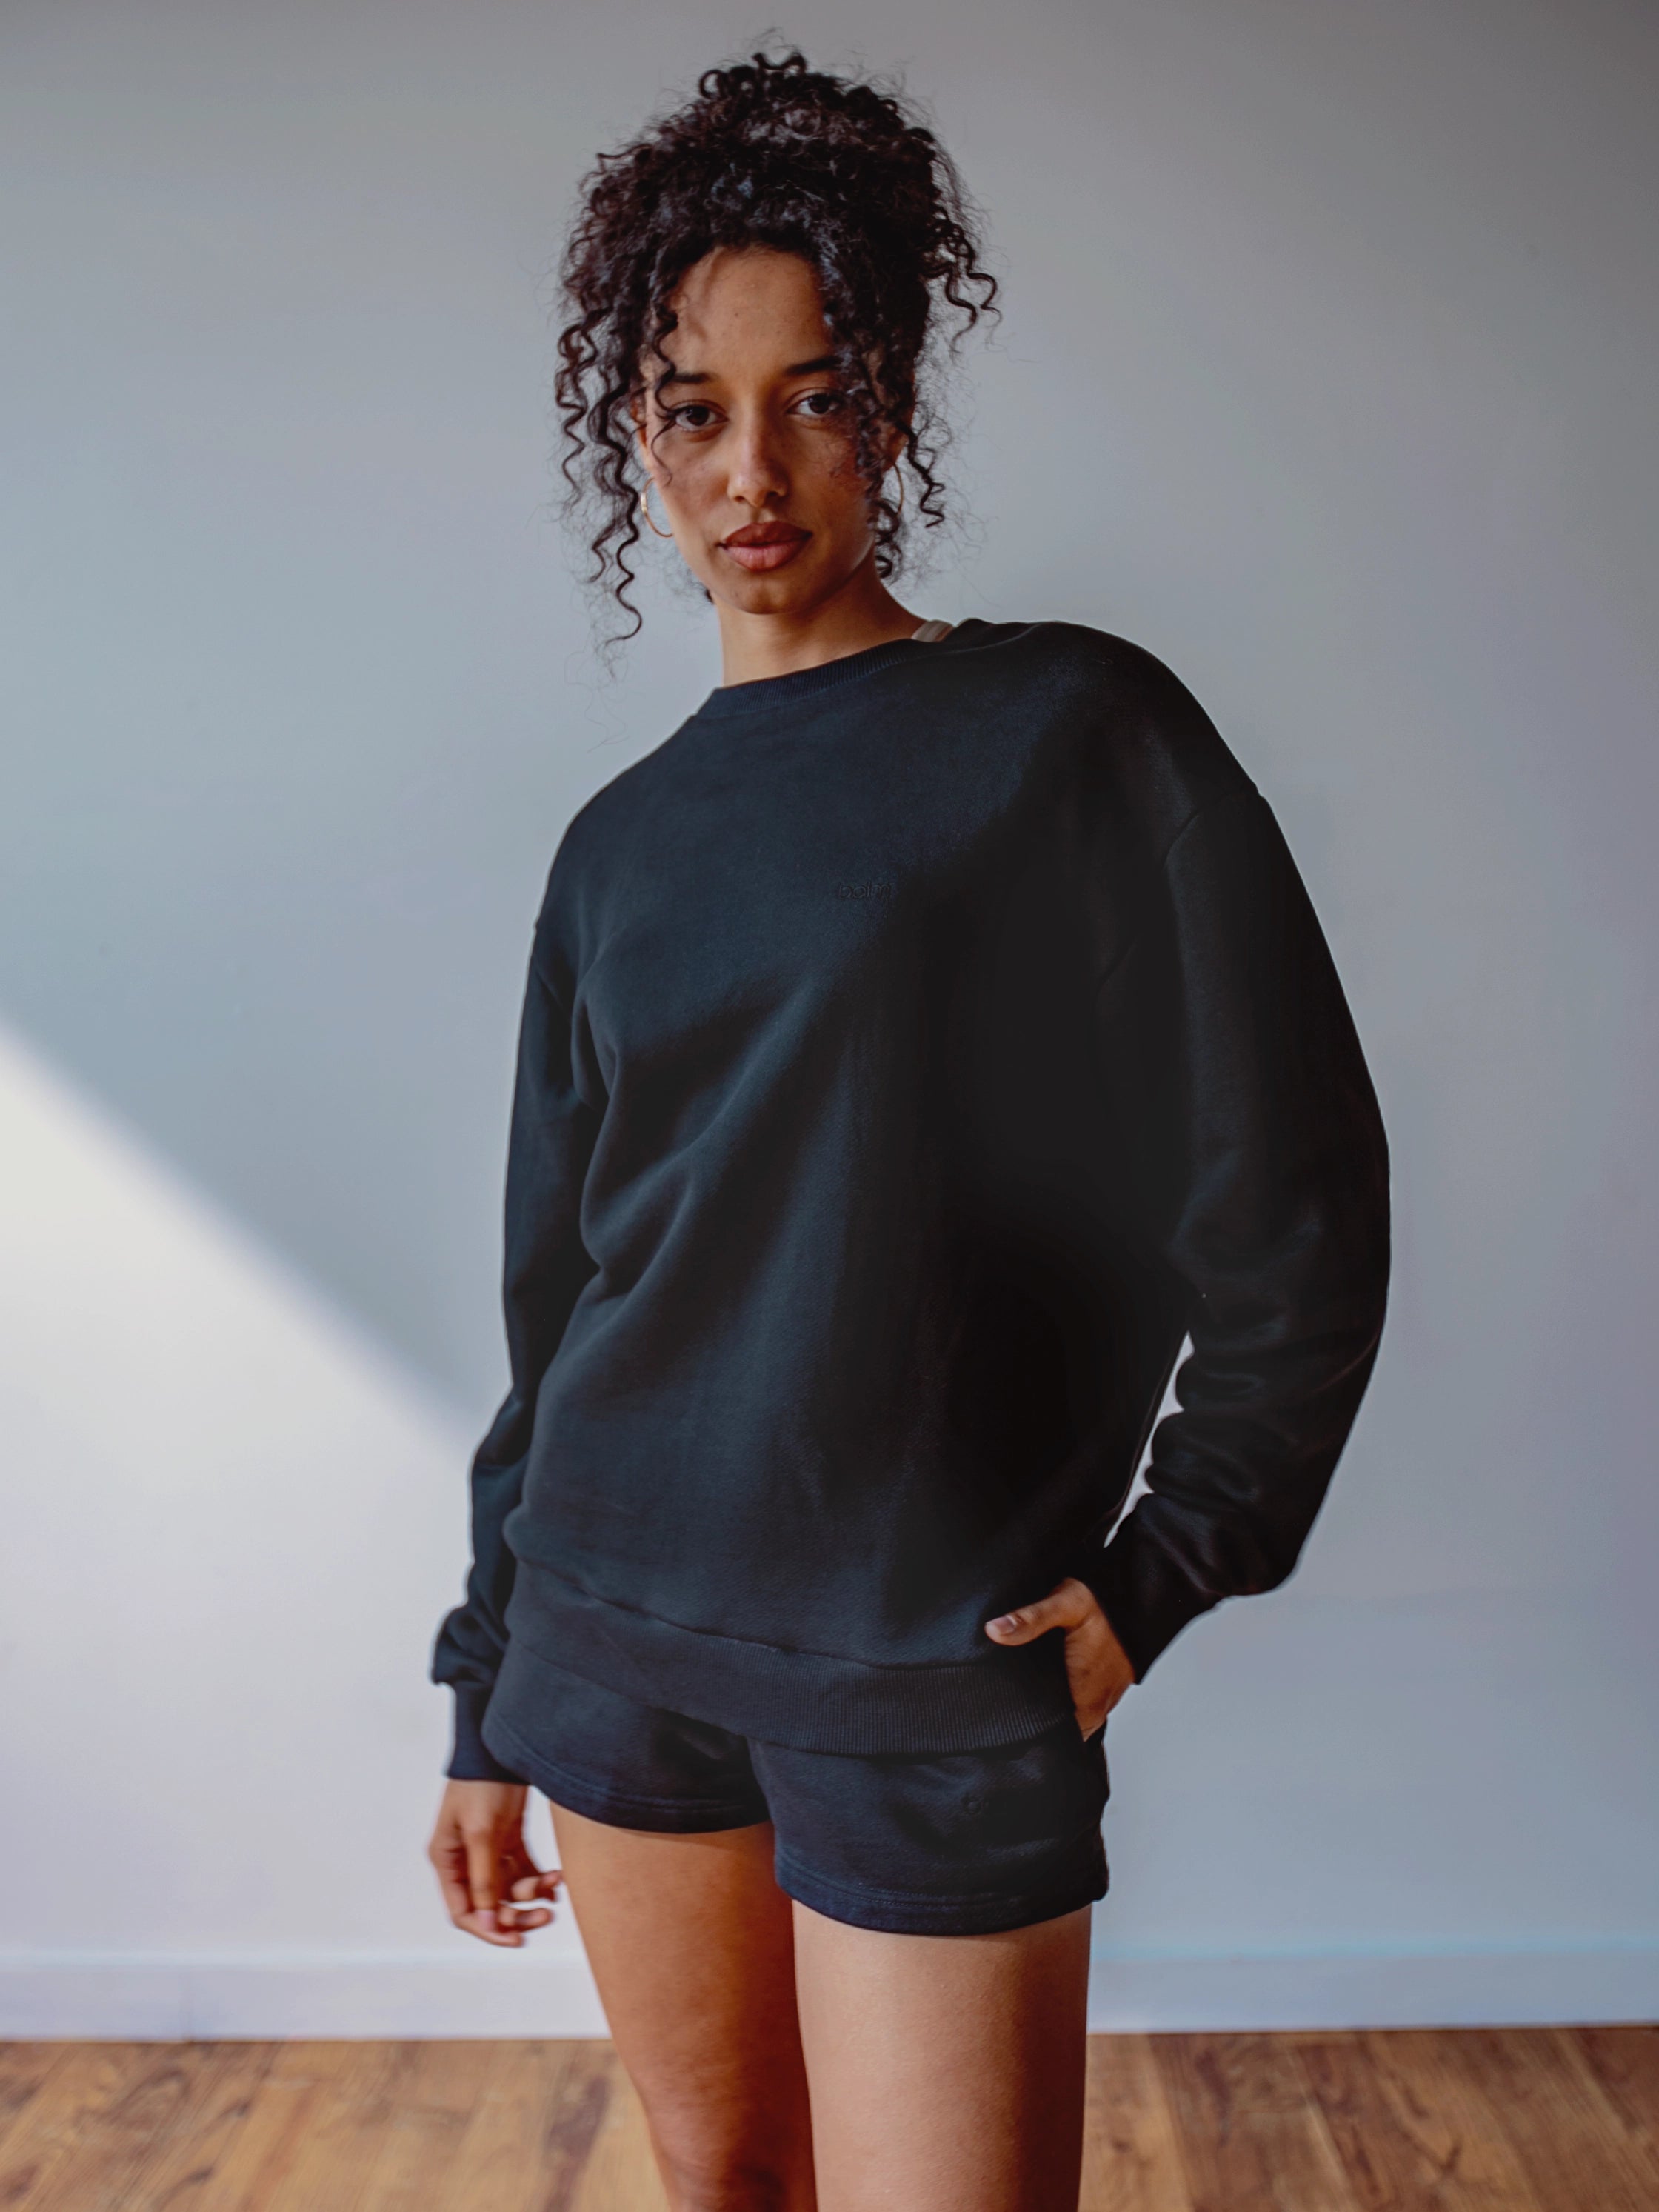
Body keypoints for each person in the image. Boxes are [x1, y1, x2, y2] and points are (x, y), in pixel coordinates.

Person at [426, 46, 1389, 2212]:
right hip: (610, 1641)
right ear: (637, 437)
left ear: (895, 409)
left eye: (819, 395)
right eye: (694, 409)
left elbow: (1297, 1192)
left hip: (928, 1663)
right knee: (728, 2192)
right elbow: (561, 1299)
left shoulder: (1069, 734)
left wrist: (1167, 1565)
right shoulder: (619, 844)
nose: (751, 468)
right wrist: (487, 1686)